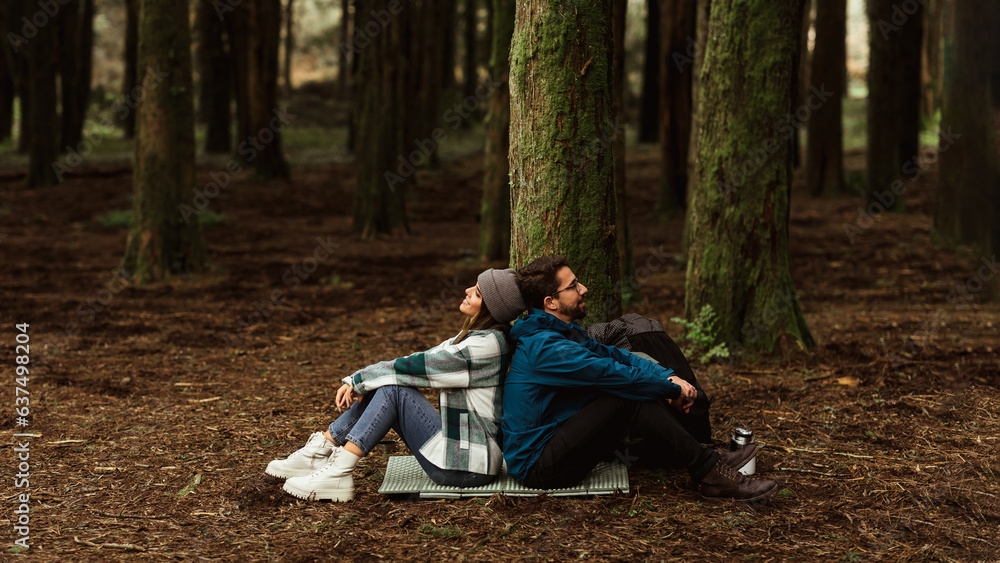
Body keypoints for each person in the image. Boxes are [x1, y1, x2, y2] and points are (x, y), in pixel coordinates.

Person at [502, 255, 777, 501]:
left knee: (633, 390)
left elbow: (616, 356)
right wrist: (667, 389)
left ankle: (707, 463)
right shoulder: (545, 347)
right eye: (573, 286)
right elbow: (610, 373)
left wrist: (668, 377)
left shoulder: (560, 332)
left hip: (557, 439)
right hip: (537, 464)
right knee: (627, 397)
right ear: (550, 302)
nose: (583, 288)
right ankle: (709, 472)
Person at [266, 268, 526, 502]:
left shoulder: (485, 346)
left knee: (393, 389)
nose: (468, 291)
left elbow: (418, 368)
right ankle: (321, 449)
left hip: (466, 468)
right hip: (463, 456)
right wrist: (365, 380)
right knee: (389, 383)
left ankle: (338, 471)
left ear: (490, 308)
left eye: (477, 293)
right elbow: (418, 360)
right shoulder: (474, 337)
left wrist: (359, 380)